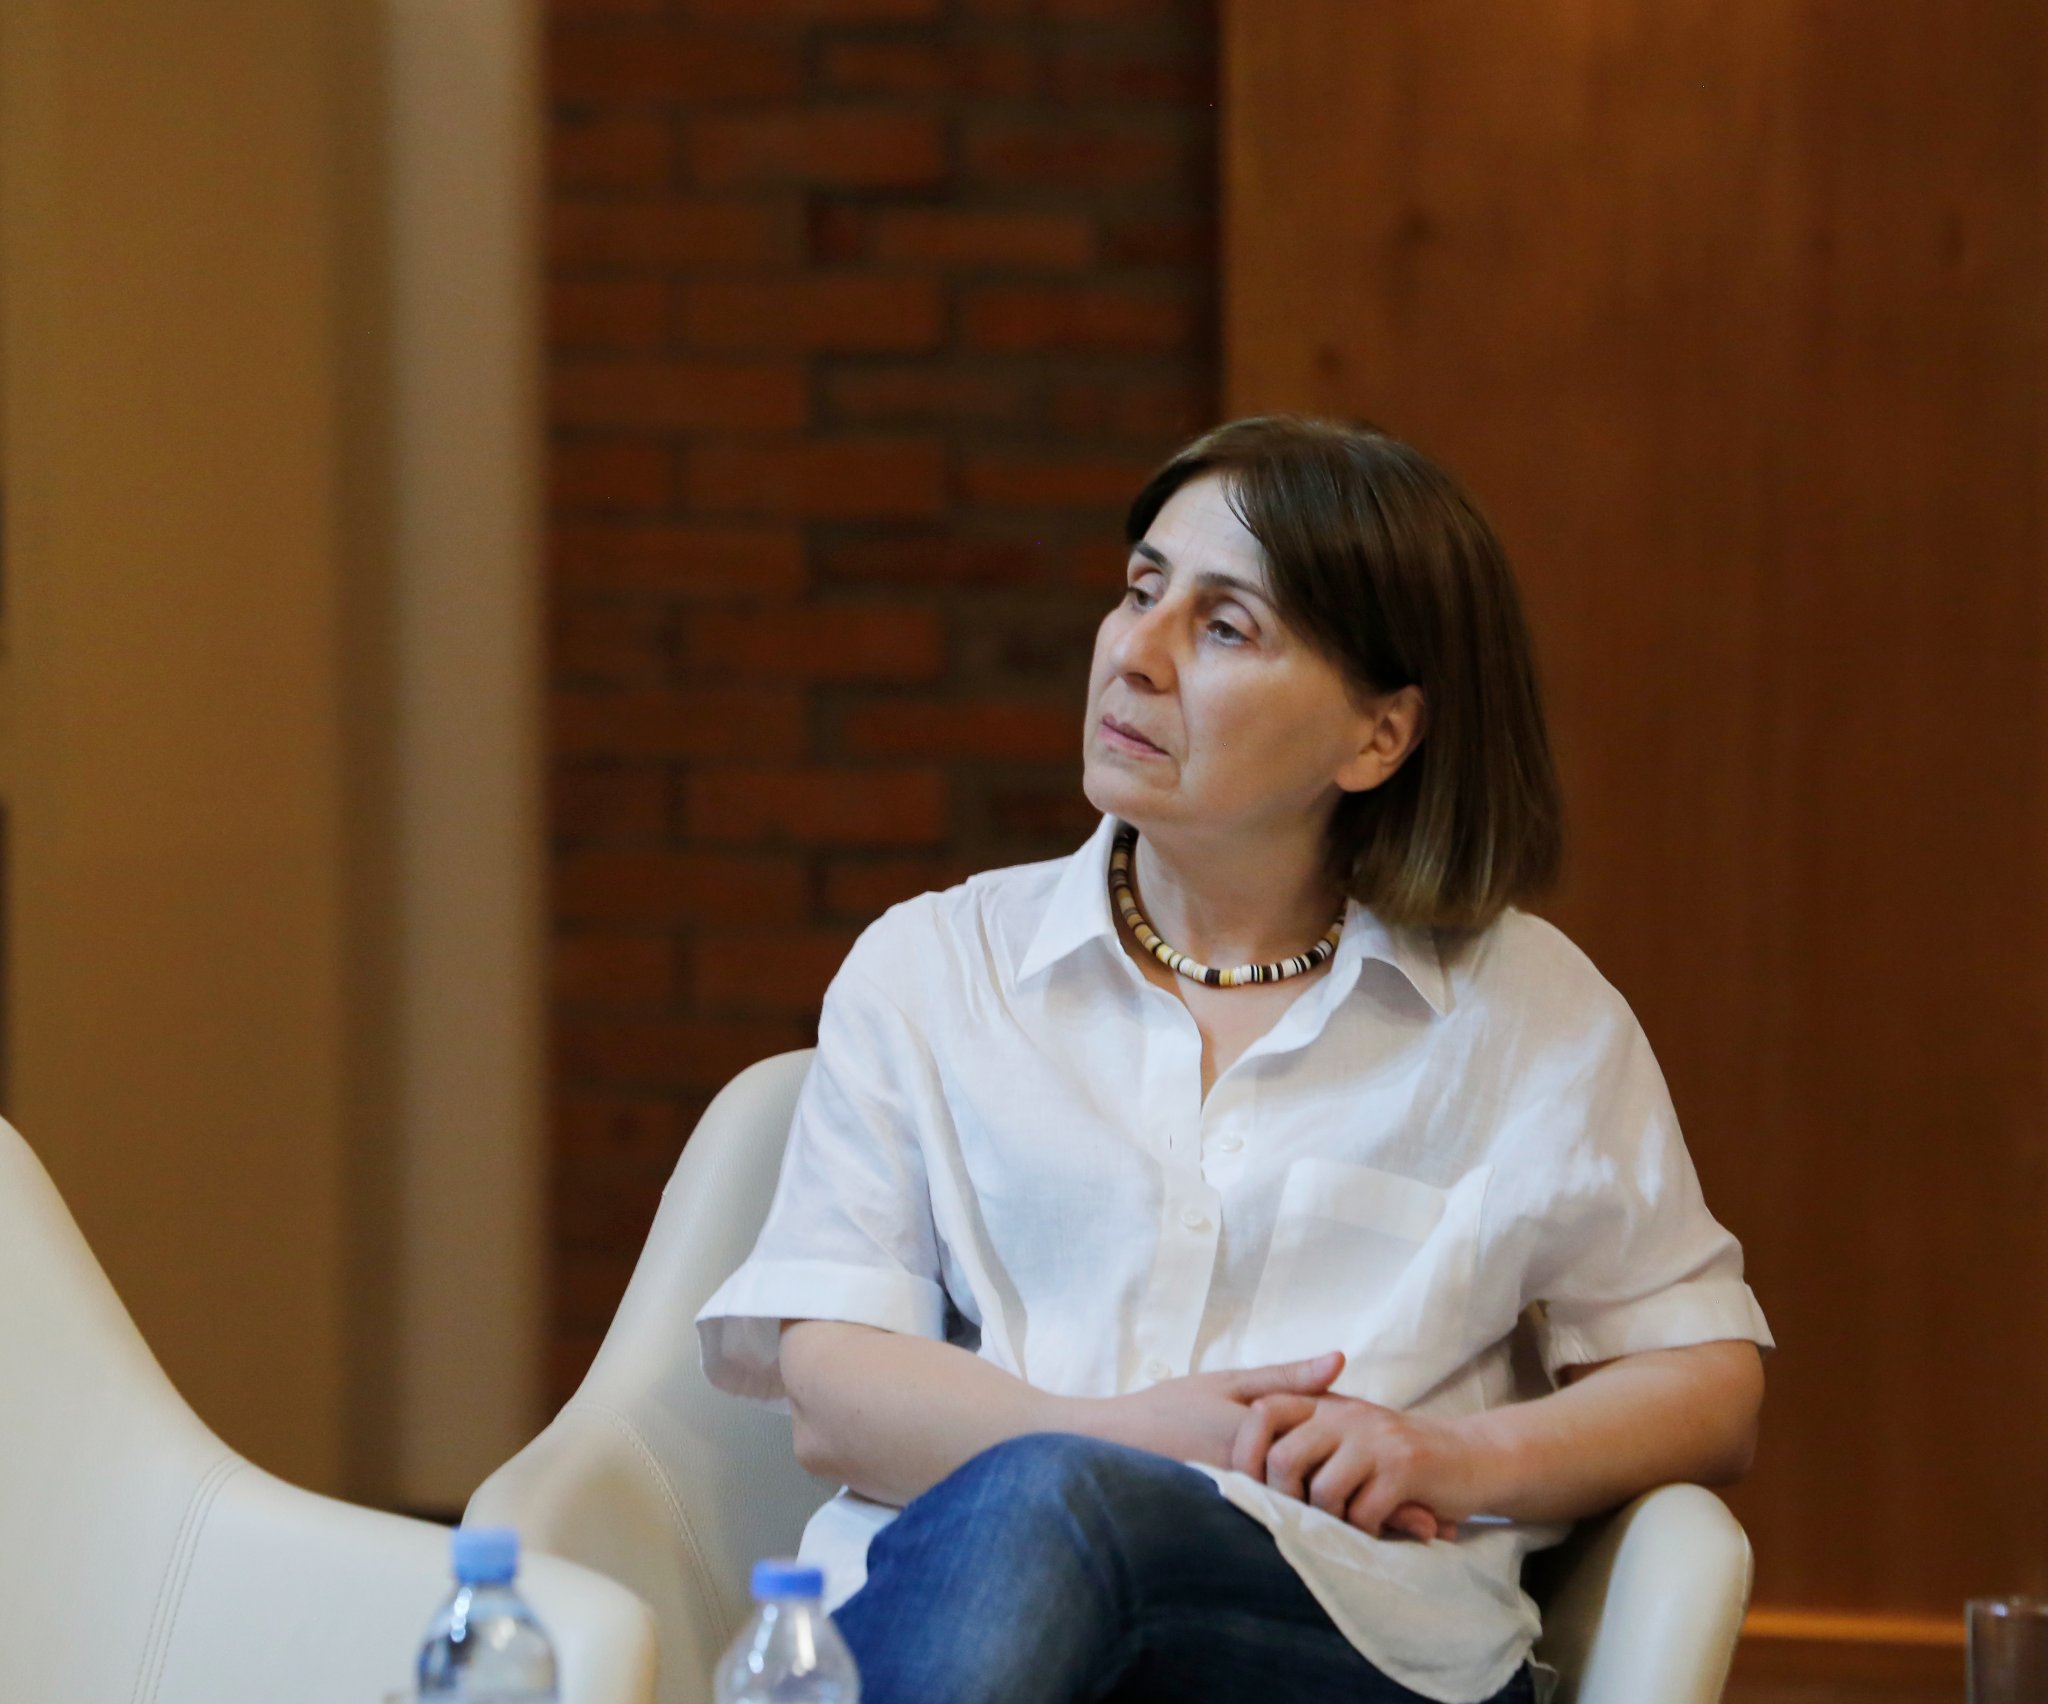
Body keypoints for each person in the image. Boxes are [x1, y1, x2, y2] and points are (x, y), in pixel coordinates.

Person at [697, 416, 1773, 1704]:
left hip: (1348, 1633)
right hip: (983, 1609)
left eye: (1223, 627)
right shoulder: (934, 966)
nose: (1134, 655)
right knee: (1050, 1503)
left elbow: (1706, 1383)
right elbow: (832, 1392)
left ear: (1378, 737)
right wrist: (1120, 1440)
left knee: (1053, 1505)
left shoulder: (1527, 1009)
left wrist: (1451, 1458)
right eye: (1139, 590)